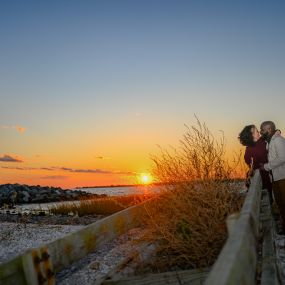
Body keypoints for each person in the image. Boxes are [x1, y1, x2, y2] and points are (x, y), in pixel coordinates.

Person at [260, 121, 285, 231]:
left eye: (262, 130)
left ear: (269, 129)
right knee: (280, 203)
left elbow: (282, 158)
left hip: (283, 177)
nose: (261, 132)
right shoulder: (269, 141)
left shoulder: (278, 140)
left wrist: (266, 167)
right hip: (276, 177)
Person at [238, 124, 273, 203]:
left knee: (269, 200)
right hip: (261, 179)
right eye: (256, 131)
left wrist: (277, 131)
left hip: (267, 176)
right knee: (265, 201)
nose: (259, 132)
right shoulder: (250, 150)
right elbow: (251, 164)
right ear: (252, 135)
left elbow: (269, 134)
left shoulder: (261, 141)